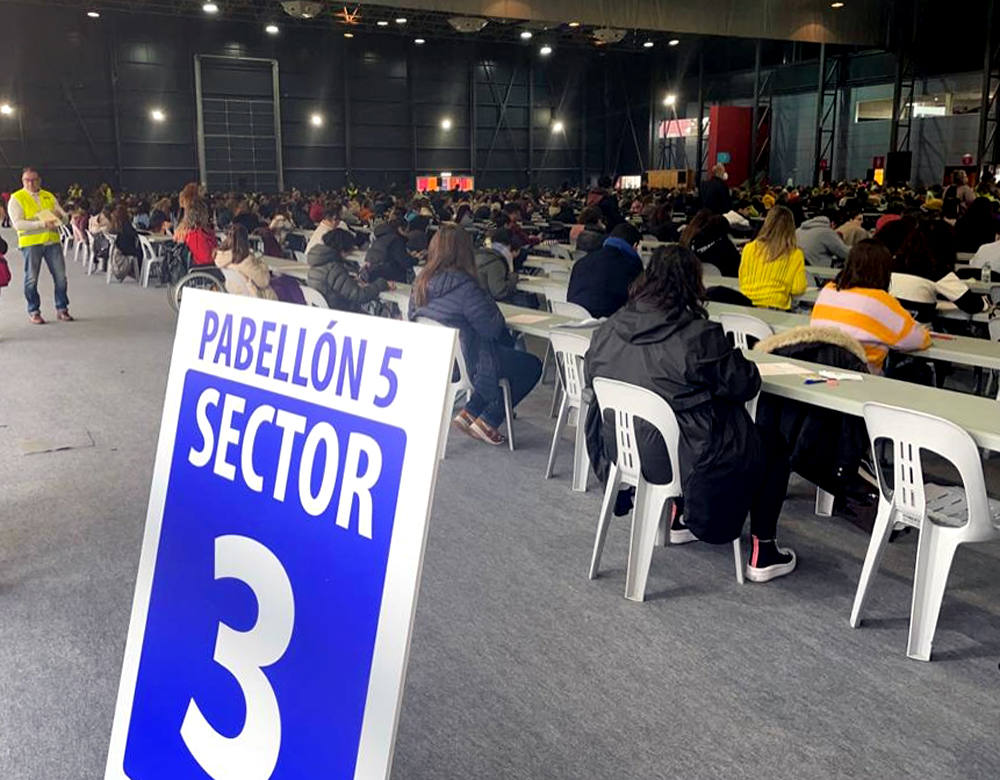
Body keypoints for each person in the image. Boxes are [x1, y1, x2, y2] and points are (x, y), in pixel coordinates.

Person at [584, 244, 796, 582]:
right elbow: (746, 385)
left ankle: (680, 515)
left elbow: (591, 382)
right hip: (691, 462)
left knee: (681, 416)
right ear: (693, 284)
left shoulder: (609, 328)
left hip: (625, 453)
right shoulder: (698, 336)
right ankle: (763, 550)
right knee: (771, 444)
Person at [409, 223, 542, 446]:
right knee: (531, 365)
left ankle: (471, 411)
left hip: (439, 362)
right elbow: (492, 327)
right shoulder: (466, 287)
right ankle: (489, 418)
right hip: (471, 362)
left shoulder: (420, 282)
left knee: (503, 357)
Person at [810, 239, 930, 374]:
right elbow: (915, 340)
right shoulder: (880, 300)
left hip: (823, 371)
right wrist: (924, 331)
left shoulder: (828, 290)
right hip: (863, 378)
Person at [8, 166, 72, 323]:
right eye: (27, 180)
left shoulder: (48, 196)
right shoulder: (16, 198)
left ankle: (62, 308)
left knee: (61, 278)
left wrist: (61, 218)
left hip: (52, 242)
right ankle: (34, 311)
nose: (30, 183)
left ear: (39, 180)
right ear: (22, 181)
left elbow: (64, 218)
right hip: (31, 243)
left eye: (33, 180)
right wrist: (42, 224)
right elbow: (17, 224)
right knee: (31, 279)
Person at [567, 223, 644, 318]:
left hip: (574, 317)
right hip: (609, 323)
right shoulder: (632, 266)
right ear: (635, 246)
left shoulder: (583, 261)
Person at [738, 205, 807, 310]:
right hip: (775, 307)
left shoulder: (749, 248)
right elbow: (797, 289)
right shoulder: (795, 254)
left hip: (746, 306)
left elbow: (742, 279)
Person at [306, 227, 388, 311]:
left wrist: (350, 280)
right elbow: (359, 296)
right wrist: (381, 284)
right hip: (342, 312)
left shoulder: (317, 263)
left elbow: (333, 283)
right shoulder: (334, 269)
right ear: (342, 251)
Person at [474, 228, 535, 307]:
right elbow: (499, 292)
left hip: (475, 302)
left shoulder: (479, 255)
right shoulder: (496, 262)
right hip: (488, 306)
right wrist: (513, 278)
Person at [215, 224, 277, 300]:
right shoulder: (245, 261)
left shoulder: (221, 258)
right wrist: (262, 264)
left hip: (237, 294)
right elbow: (264, 281)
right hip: (257, 296)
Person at [364, 218, 414, 283]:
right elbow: (405, 262)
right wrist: (416, 259)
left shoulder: (381, 236)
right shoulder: (396, 240)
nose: (408, 233)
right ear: (400, 229)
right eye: (407, 230)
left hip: (372, 273)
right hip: (387, 276)